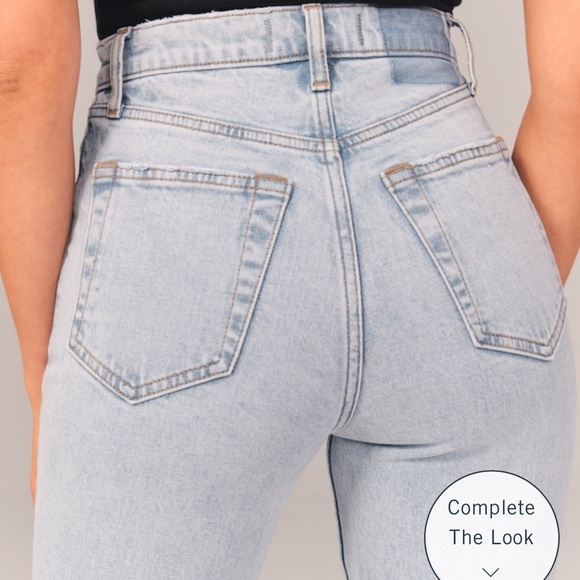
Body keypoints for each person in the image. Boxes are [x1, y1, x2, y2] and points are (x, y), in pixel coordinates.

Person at [0, 0, 578, 578]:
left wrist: (42, 377)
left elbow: (17, 65)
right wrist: (509, 305)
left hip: (177, 193)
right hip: (451, 180)